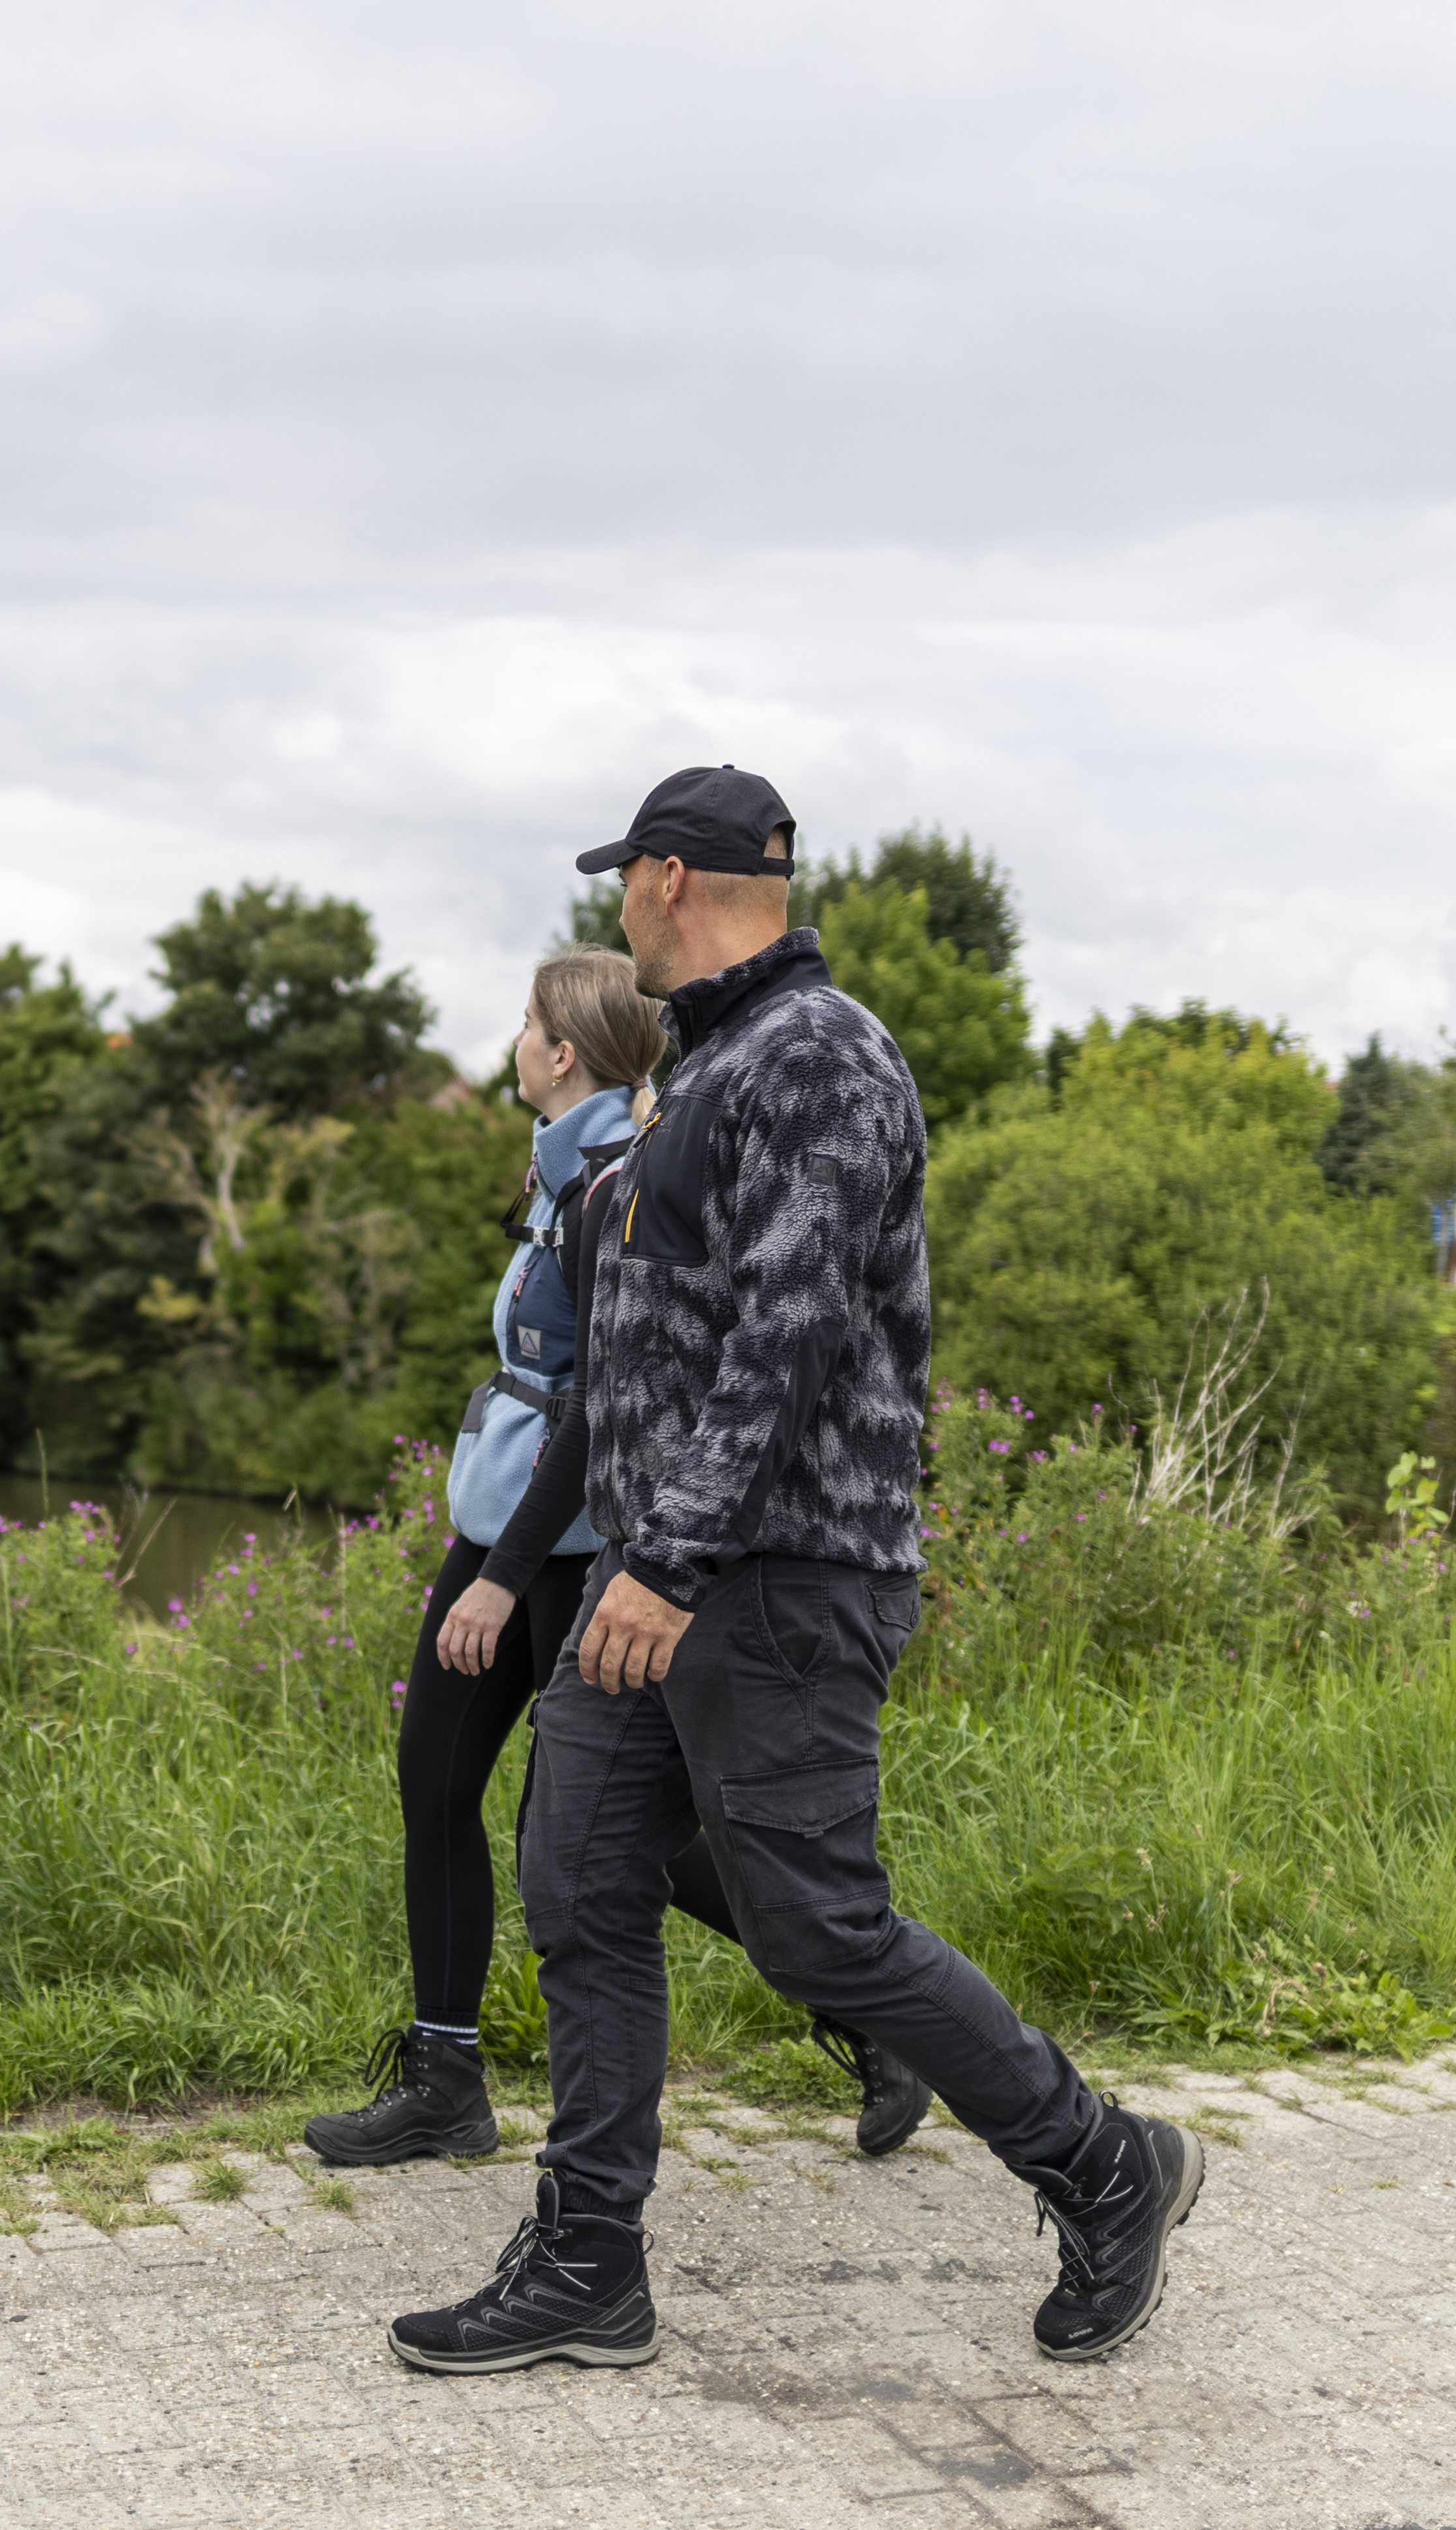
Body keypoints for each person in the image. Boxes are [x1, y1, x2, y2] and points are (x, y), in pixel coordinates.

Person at [386, 766, 1203, 2378]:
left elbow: (790, 1331)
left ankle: (1105, 2163)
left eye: (625, 875)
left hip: (770, 1576)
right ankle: (588, 2258)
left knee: (817, 1924)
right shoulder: (707, 1068)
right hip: (661, 1568)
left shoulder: (818, 1057)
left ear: (671, 881)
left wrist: (670, 1560)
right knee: (579, 1882)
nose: (615, 900)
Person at [306, 953, 927, 2170]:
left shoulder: (613, 1179)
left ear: (565, 1052)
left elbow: (600, 1403)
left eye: (528, 1021)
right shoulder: (553, 1175)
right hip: (506, 1517)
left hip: (573, 1539)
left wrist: (503, 1571)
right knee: (439, 1777)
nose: (515, 1038)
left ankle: (862, 2001)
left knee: (600, 1833)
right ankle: (445, 2075)